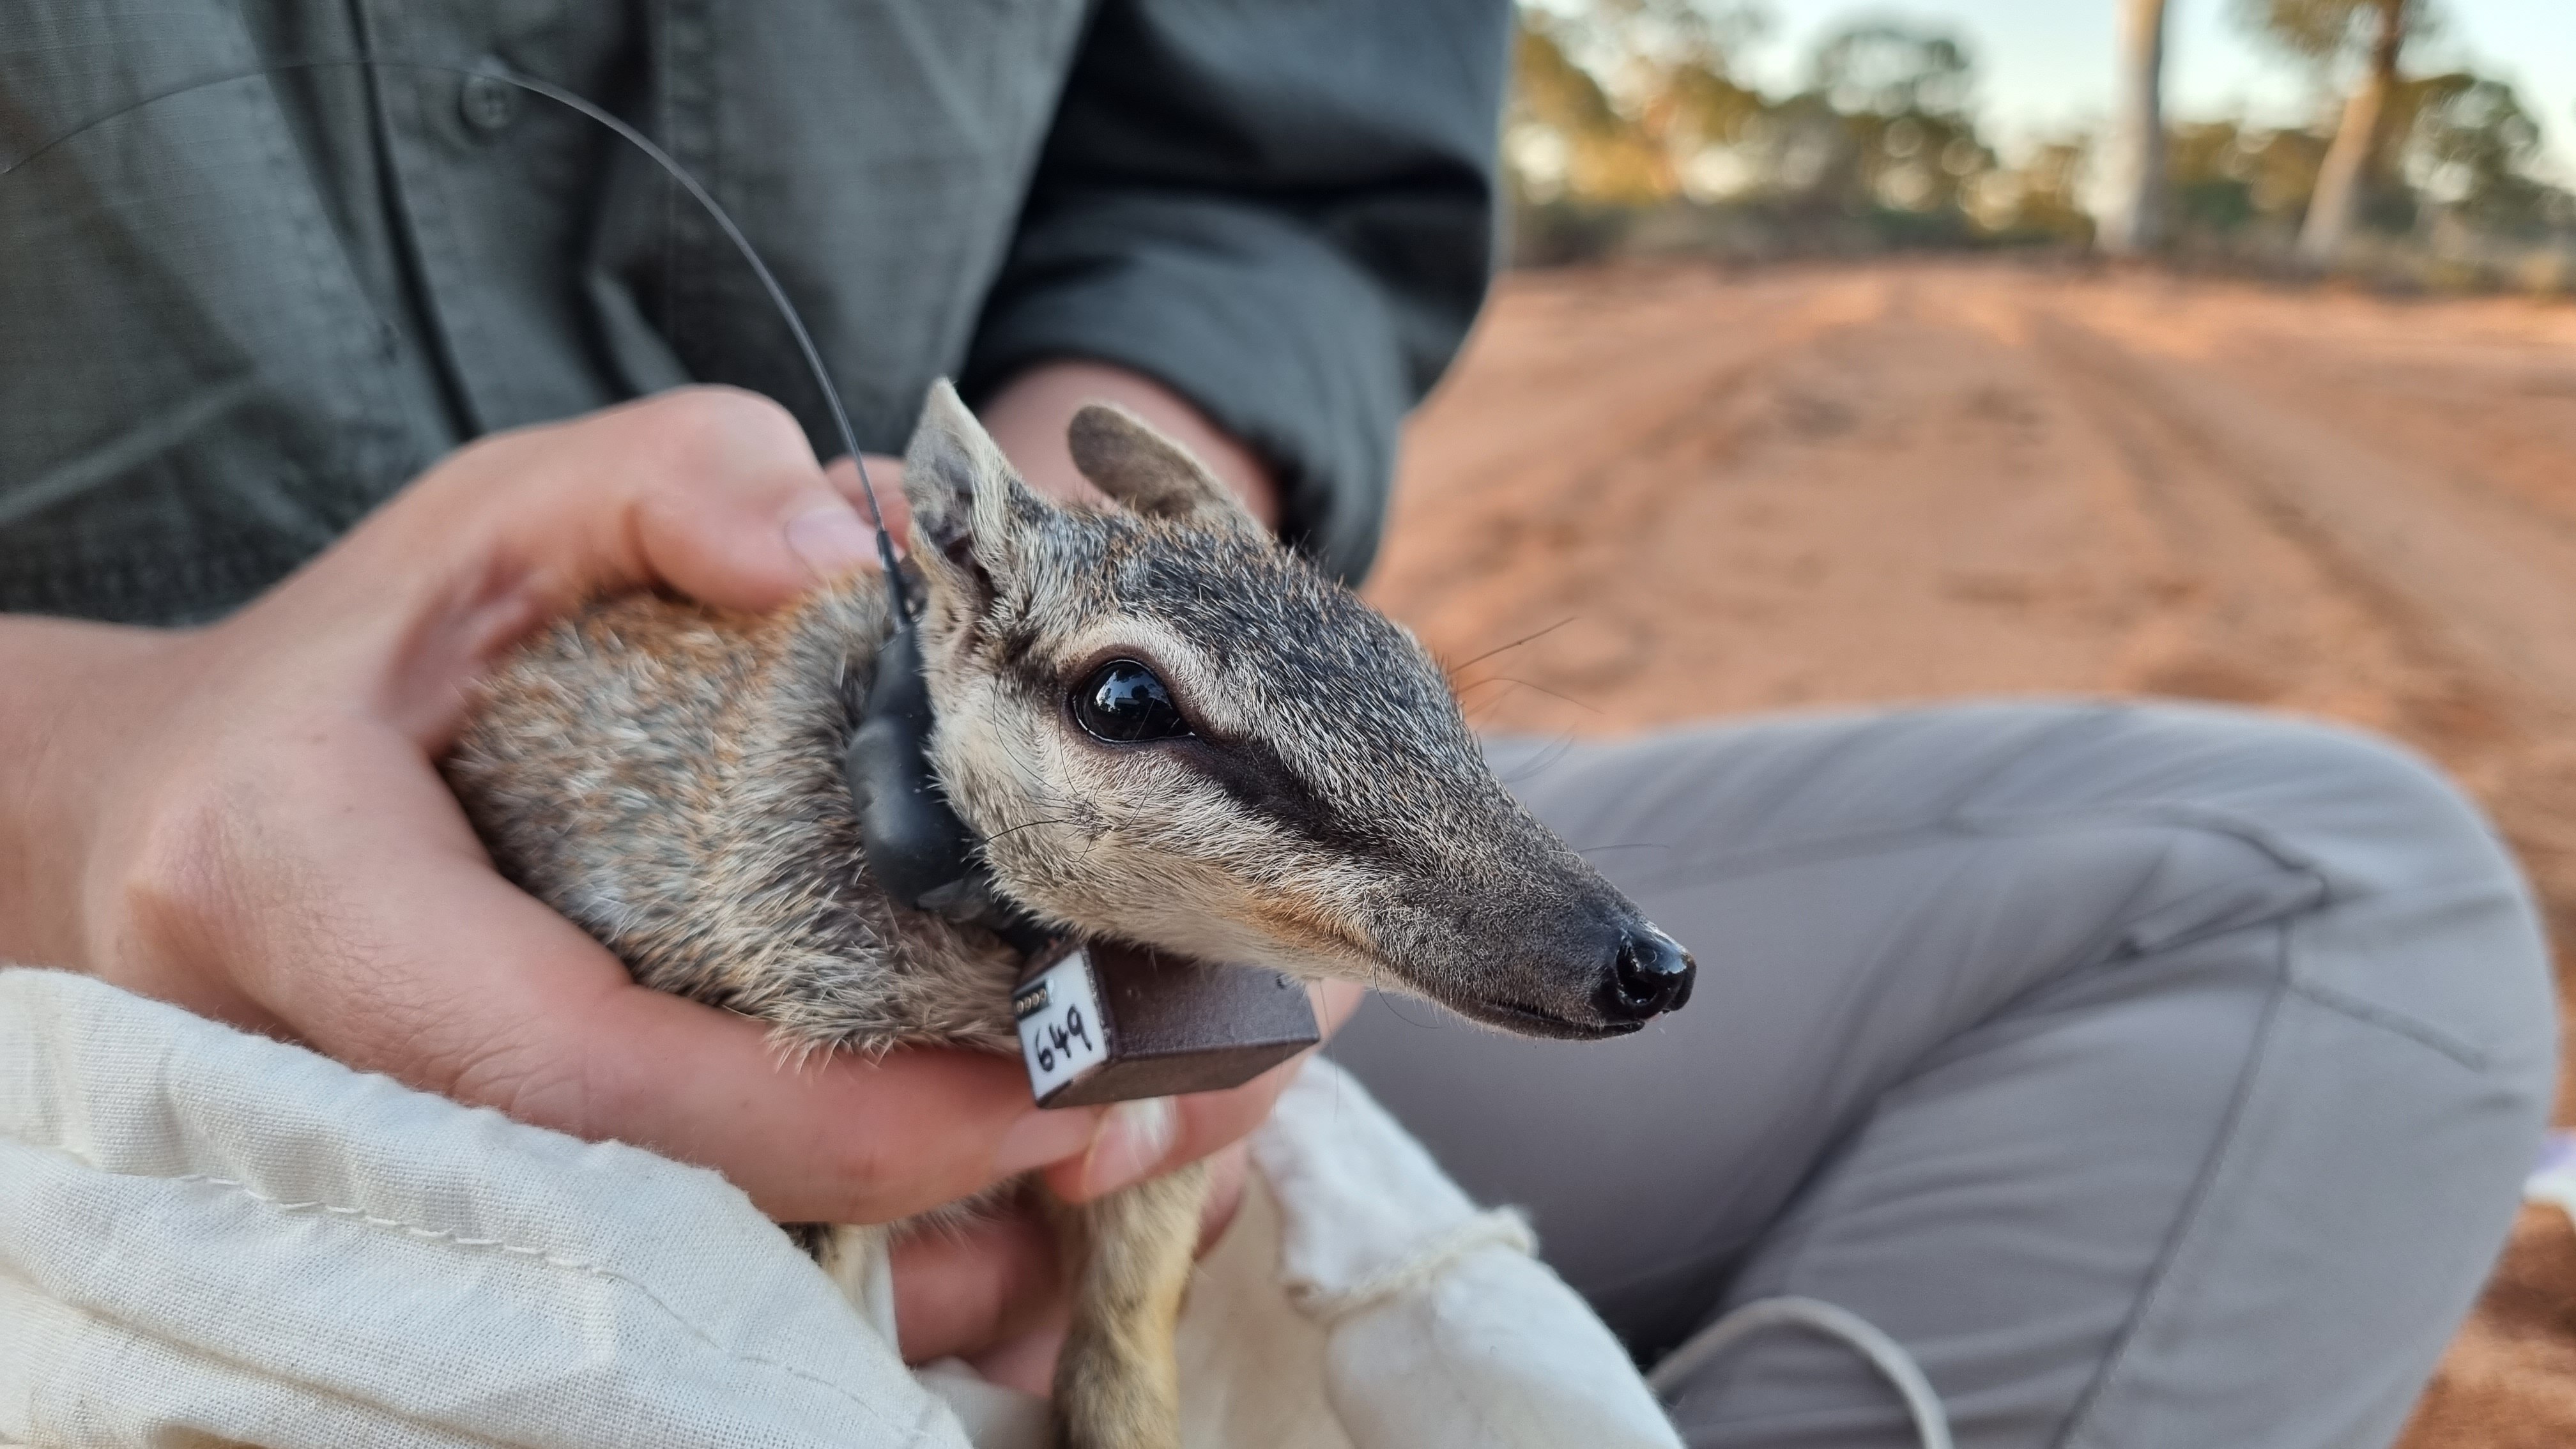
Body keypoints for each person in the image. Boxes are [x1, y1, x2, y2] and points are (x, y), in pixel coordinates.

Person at [0, 4, 2550, 1446]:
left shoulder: (1115, 732)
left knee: (2336, 910)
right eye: (1114, 695)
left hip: (1099, 798)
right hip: (67, 968)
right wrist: (91, 779)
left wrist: (1164, 564)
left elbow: (1269, 174)